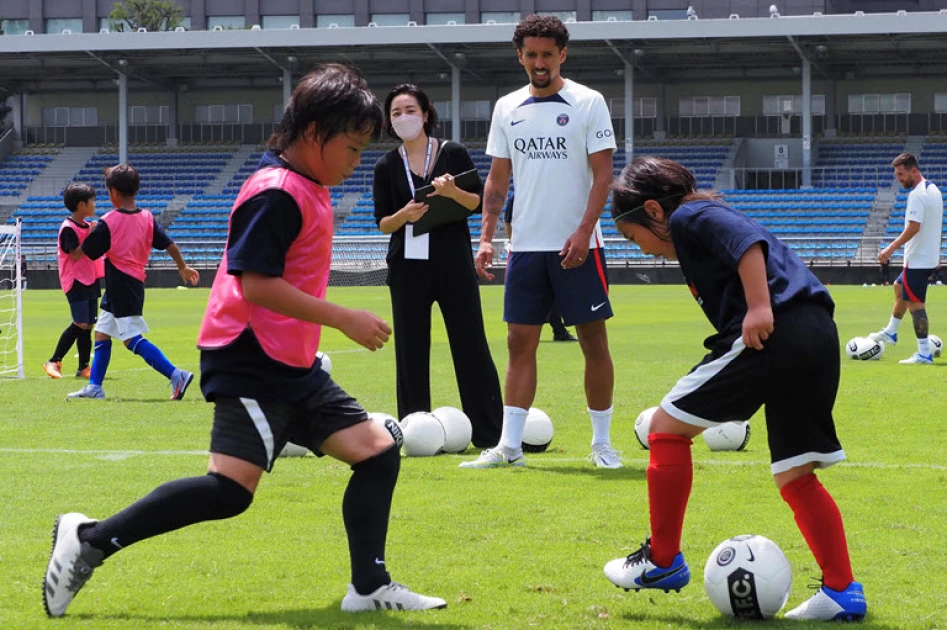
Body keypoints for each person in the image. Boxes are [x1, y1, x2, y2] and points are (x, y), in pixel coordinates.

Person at [43, 64, 446, 619]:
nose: (356, 164)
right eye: (351, 149)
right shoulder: (276, 192)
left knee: (377, 452)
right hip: (250, 357)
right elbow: (255, 283)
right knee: (231, 490)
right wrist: (342, 317)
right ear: (313, 134)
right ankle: (90, 539)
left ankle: (369, 587)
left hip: (291, 362)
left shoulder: (307, 183)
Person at [602, 156, 867, 622]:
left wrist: (760, 306)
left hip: (776, 332)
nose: (640, 249)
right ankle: (842, 591)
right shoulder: (693, 224)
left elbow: (749, 245)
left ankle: (663, 561)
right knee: (795, 474)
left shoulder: (690, 215)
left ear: (653, 210)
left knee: (664, 428)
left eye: (633, 236)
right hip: (815, 335)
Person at [462, 15, 620, 469]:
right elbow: (497, 180)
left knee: (593, 340)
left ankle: (601, 444)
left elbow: (604, 175)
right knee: (518, 342)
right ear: (520, 56)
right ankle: (510, 448)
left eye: (547, 54)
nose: (539, 62)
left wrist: (583, 230)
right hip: (526, 246)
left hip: (579, 246)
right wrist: (487, 237)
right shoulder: (507, 107)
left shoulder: (588, 102)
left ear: (562, 55)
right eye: (531, 54)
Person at [373, 83, 502, 447]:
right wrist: (403, 214)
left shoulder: (453, 153)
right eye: (396, 113)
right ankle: (415, 431)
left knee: (470, 343)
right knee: (411, 349)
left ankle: (490, 432)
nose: (403, 118)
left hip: (452, 262)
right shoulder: (386, 165)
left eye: (410, 110)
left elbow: (476, 203)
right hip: (407, 268)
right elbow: (383, 222)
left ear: (426, 114)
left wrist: (450, 193)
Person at [65, 164, 200, 400]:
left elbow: (87, 252)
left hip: (121, 286)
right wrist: (182, 266)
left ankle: (176, 375)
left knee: (131, 339)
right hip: (131, 285)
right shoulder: (147, 218)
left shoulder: (109, 221)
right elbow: (170, 244)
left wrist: (92, 229)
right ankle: (94, 387)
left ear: (114, 192)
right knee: (102, 333)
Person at [868, 153, 943, 365]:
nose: (899, 178)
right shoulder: (934, 189)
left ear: (913, 170)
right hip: (927, 257)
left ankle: (923, 354)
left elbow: (914, 227)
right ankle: (891, 332)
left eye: (901, 174)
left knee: (916, 305)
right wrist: (937, 253)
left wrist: (890, 248)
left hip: (917, 260)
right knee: (899, 287)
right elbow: (937, 223)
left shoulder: (917, 195)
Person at [43, 184, 104, 379]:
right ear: (81, 204)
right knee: (79, 322)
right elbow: (75, 254)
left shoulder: (87, 225)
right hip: (75, 280)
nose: (95, 204)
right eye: (92, 201)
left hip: (90, 278)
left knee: (88, 325)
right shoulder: (69, 228)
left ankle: (83, 367)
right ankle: (53, 360)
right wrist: (91, 235)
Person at [503, 194, 578, 342]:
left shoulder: (524, 195)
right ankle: (551, 331)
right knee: (530, 292)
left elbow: (508, 221)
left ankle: (557, 330)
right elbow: (509, 221)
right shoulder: (517, 196)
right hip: (528, 249)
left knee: (552, 292)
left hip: (548, 247)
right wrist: (515, 242)